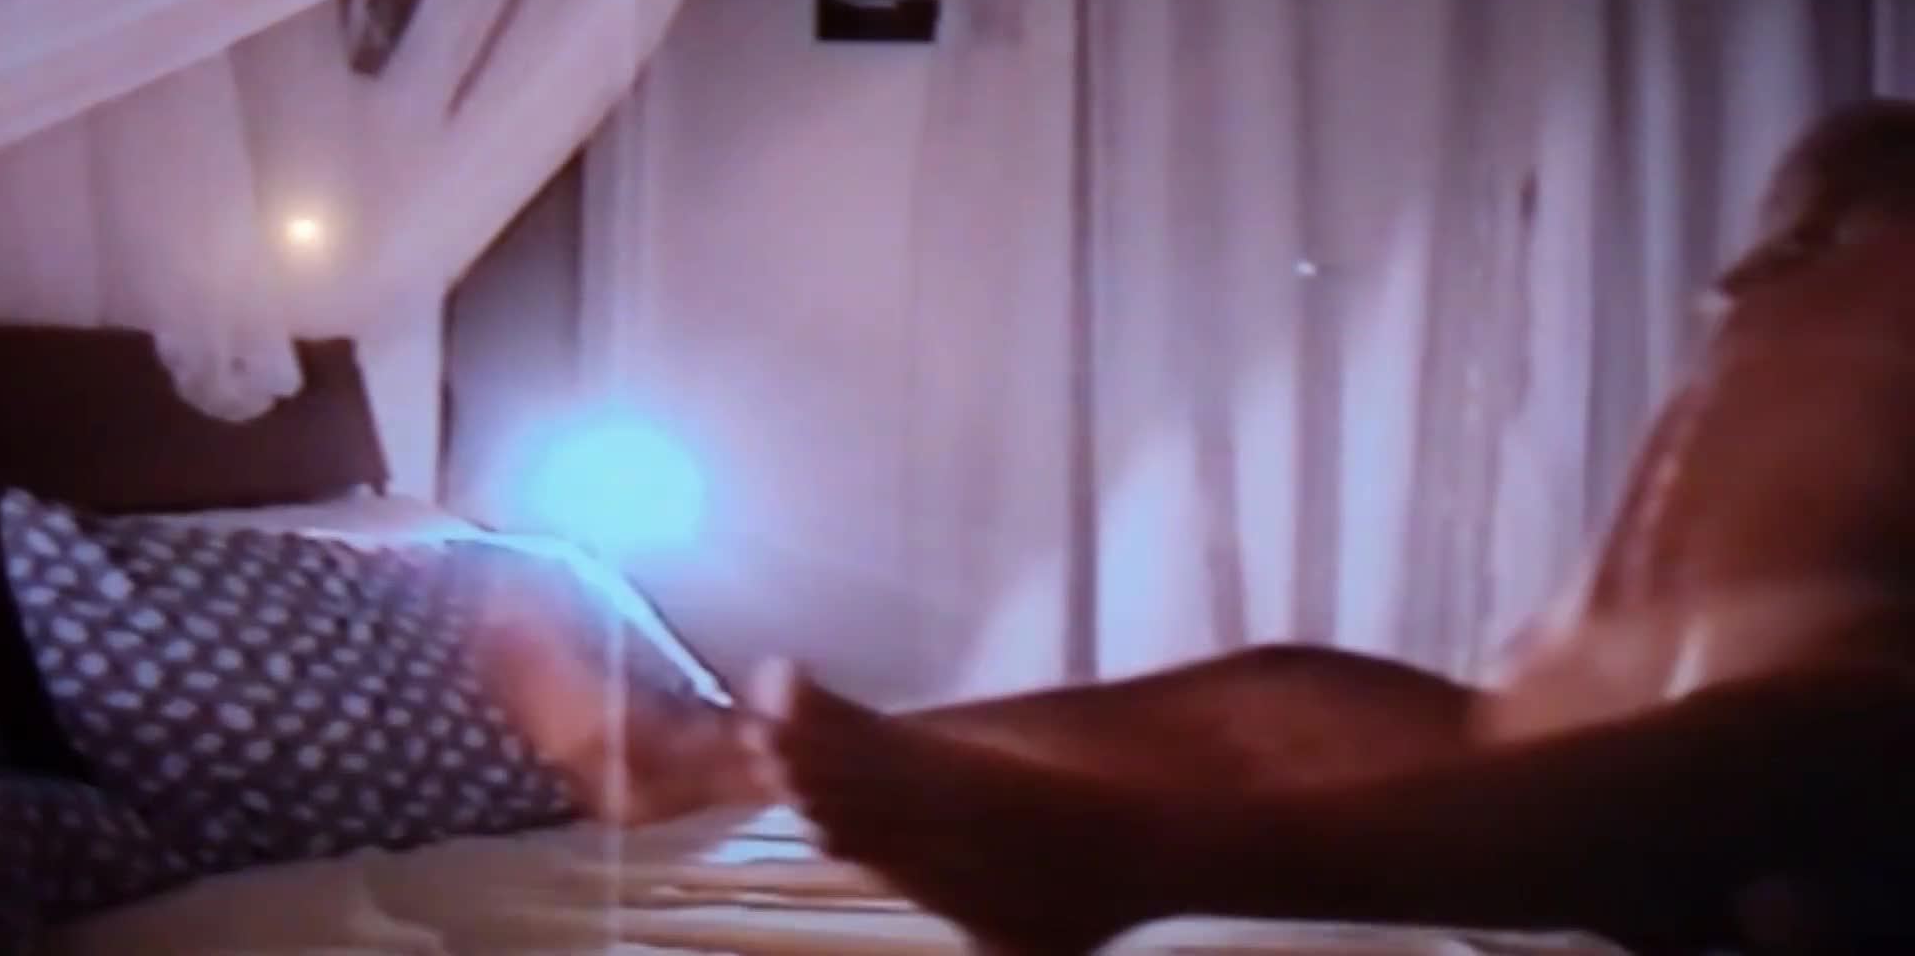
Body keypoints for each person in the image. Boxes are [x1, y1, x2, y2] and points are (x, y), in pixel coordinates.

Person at [485, 100, 1915, 955]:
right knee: (1296, 697)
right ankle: (695, 761)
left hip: (1806, 829)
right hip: (1583, 775)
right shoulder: (1808, 274)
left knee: (1826, 735)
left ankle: (1158, 861)